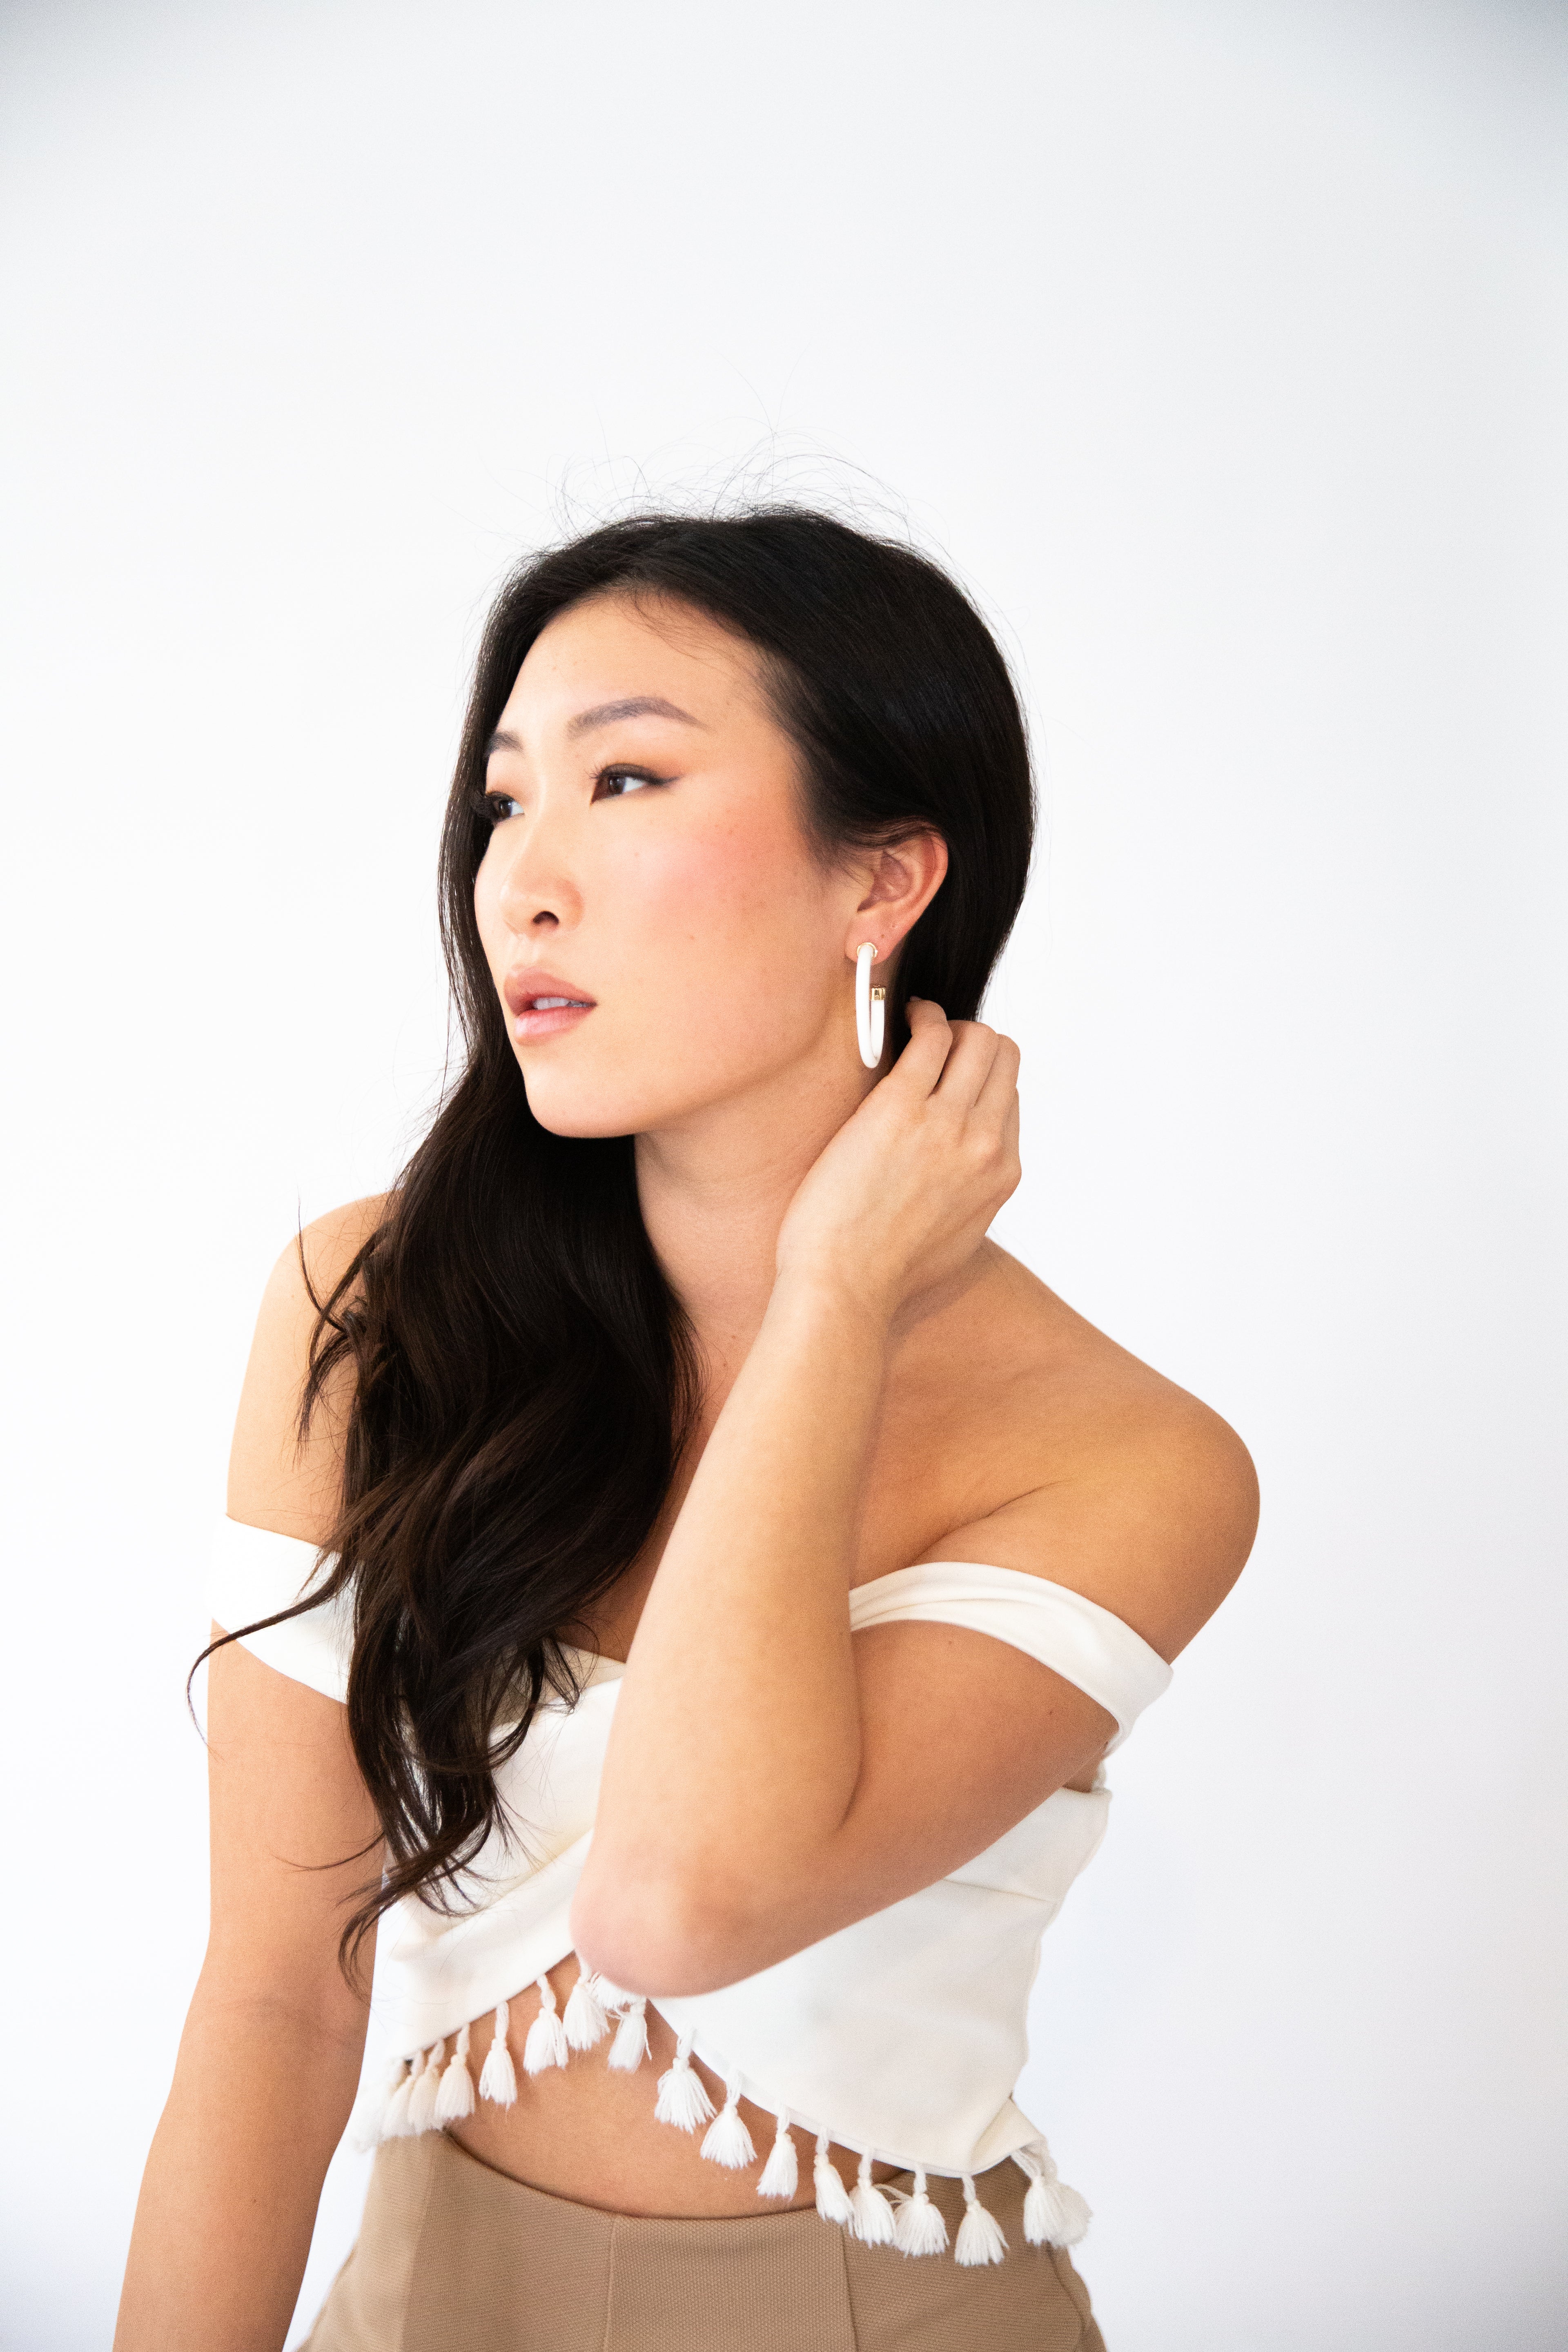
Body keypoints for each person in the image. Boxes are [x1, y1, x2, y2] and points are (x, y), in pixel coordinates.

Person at [114, 509, 1258, 2352]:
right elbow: (272, 1998)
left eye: (626, 779)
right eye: (503, 802)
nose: (520, 882)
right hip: (420, 2307)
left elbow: (676, 1903)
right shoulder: (380, 1312)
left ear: (881, 881)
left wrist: (834, 1301)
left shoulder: (1130, 1463)